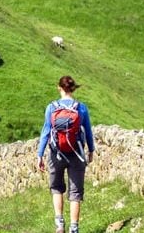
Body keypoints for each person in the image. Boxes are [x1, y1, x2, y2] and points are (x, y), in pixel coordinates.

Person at [37, 76, 95, 233]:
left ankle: (59, 224)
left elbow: (45, 132)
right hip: (77, 154)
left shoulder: (52, 108)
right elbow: (88, 131)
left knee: (56, 188)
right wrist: (91, 150)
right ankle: (74, 228)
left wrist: (39, 155)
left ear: (59, 88)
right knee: (75, 193)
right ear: (73, 88)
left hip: (56, 154)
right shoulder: (81, 108)